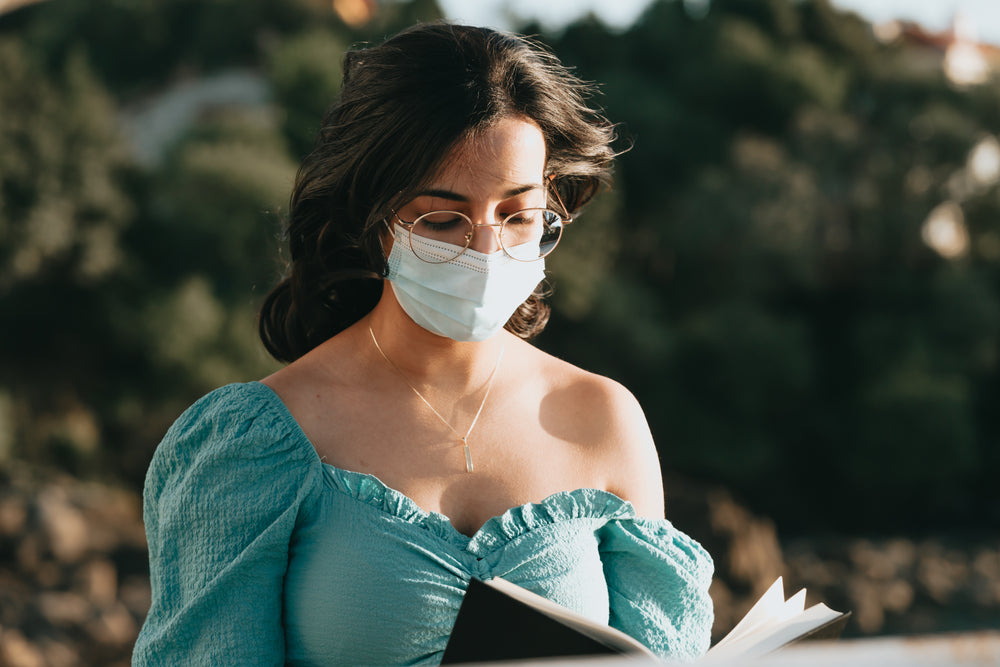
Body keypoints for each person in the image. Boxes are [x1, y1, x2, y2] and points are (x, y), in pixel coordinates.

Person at [133, 22, 713, 666]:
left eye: (518, 215)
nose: (487, 249)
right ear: (370, 219)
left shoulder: (602, 420)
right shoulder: (252, 444)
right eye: (442, 218)